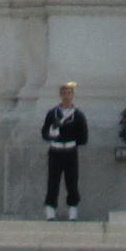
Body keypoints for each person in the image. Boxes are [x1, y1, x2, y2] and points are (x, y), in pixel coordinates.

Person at [40, 81, 89, 218]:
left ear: (72, 95)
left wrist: (71, 140)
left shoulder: (78, 115)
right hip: (55, 151)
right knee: (53, 180)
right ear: (60, 95)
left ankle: (73, 208)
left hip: (70, 151)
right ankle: (50, 208)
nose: (67, 96)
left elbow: (83, 136)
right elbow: (44, 132)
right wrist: (52, 134)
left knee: (72, 181)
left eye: (69, 93)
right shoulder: (52, 113)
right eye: (64, 93)